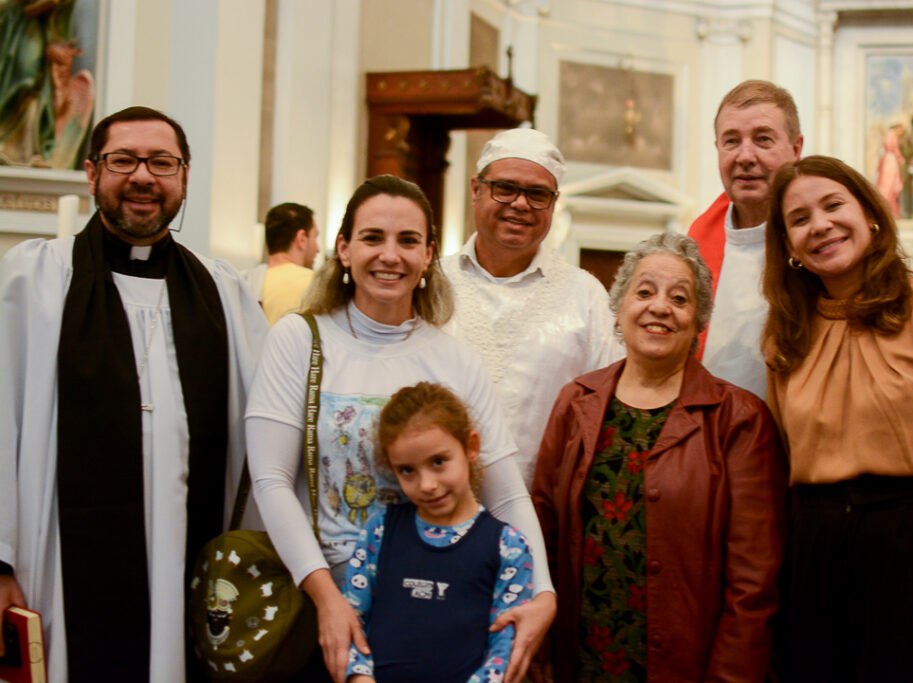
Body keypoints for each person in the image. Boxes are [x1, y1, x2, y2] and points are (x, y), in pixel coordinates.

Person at [245, 175, 556, 683]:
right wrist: (327, 597)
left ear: (429, 254)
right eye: (373, 238)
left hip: (433, 615)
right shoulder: (300, 340)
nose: (390, 255)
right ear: (344, 248)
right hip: (318, 603)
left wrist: (543, 593)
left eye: (408, 241)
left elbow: (505, 494)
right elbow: (271, 481)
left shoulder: (452, 357)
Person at [0, 106, 268, 682]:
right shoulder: (35, 279)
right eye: (123, 160)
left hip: (191, 558)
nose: (143, 176)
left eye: (162, 163)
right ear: (92, 173)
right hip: (60, 565)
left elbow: (268, 432)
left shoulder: (223, 294)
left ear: (184, 177)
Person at [762, 155, 913, 681]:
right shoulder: (787, 336)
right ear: (788, 247)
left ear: (871, 215)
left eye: (833, 205)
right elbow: (782, 468)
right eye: (800, 219)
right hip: (815, 556)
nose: (820, 225)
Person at [532, 232, 787, 682]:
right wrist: (543, 648)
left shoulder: (739, 419)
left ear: (699, 319)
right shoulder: (576, 402)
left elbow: (754, 580)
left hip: (690, 664)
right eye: (645, 292)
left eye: (680, 298)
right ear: (619, 308)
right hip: (583, 657)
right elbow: (544, 533)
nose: (660, 307)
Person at [442, 128, 621, 484]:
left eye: (537, 194)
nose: (521, 204)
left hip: (541, 508)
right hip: (431, 503)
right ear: (476, 190)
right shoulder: (432, 284)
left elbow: (610, 411)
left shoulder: (585, 296)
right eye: (505, 188)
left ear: (553, 203)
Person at [343, 382, 534, 683]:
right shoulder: (379, 531)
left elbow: (506, 649)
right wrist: (359, 678)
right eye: (407, 470)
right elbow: (350, 620)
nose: (427, 484)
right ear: (391, 468)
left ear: (471, 447)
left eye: (438, 462)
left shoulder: (508, 545)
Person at [687, 80, 803, 399]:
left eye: (763, 139)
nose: (745, 156)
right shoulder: (695, 241)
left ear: (796, 149)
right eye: (732, 141)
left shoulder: (818, 235)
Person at [244, 201, 321, 325]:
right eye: (315, 237)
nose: (318, 249)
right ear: (301, 238)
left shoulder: (246, 284)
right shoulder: (318, 285)